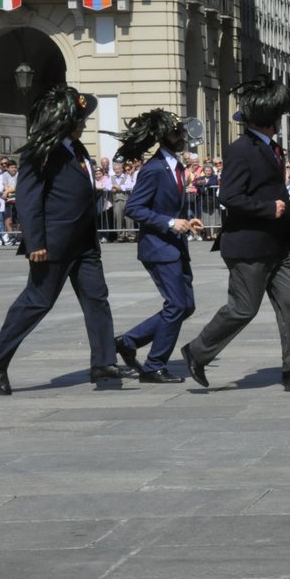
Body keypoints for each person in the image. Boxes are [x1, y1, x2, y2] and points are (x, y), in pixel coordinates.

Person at [180, 76, 290, 393]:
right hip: (248, 245)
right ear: (270, 117)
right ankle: (196, 351)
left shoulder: (272, 147)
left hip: (277, 244)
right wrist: (266, 208)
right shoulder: (241, 149)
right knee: (243, 308)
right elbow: (228, 196)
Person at [0, 87, 128, 394]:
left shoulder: (78, 150)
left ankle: (103, 361)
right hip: (53, 244)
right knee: (38, 301)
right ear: (65, 122)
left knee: (97, 298)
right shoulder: (40, 152)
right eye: (80, 120)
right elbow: (28, 199)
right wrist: (35, 243)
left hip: (84, 242)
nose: (85, 125)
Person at [111, 109, 203, 383]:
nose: (183, 136)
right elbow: (134, 208)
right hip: (158, 248)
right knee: (176, 304)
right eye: (178, 133)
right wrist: (170, 223)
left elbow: (170, 208)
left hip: (174, 246)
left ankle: (129, 341)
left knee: (186, 306)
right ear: (165, 137)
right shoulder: (153, 169)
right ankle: (154, 365)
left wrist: (185, 221)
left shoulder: (175, 166)